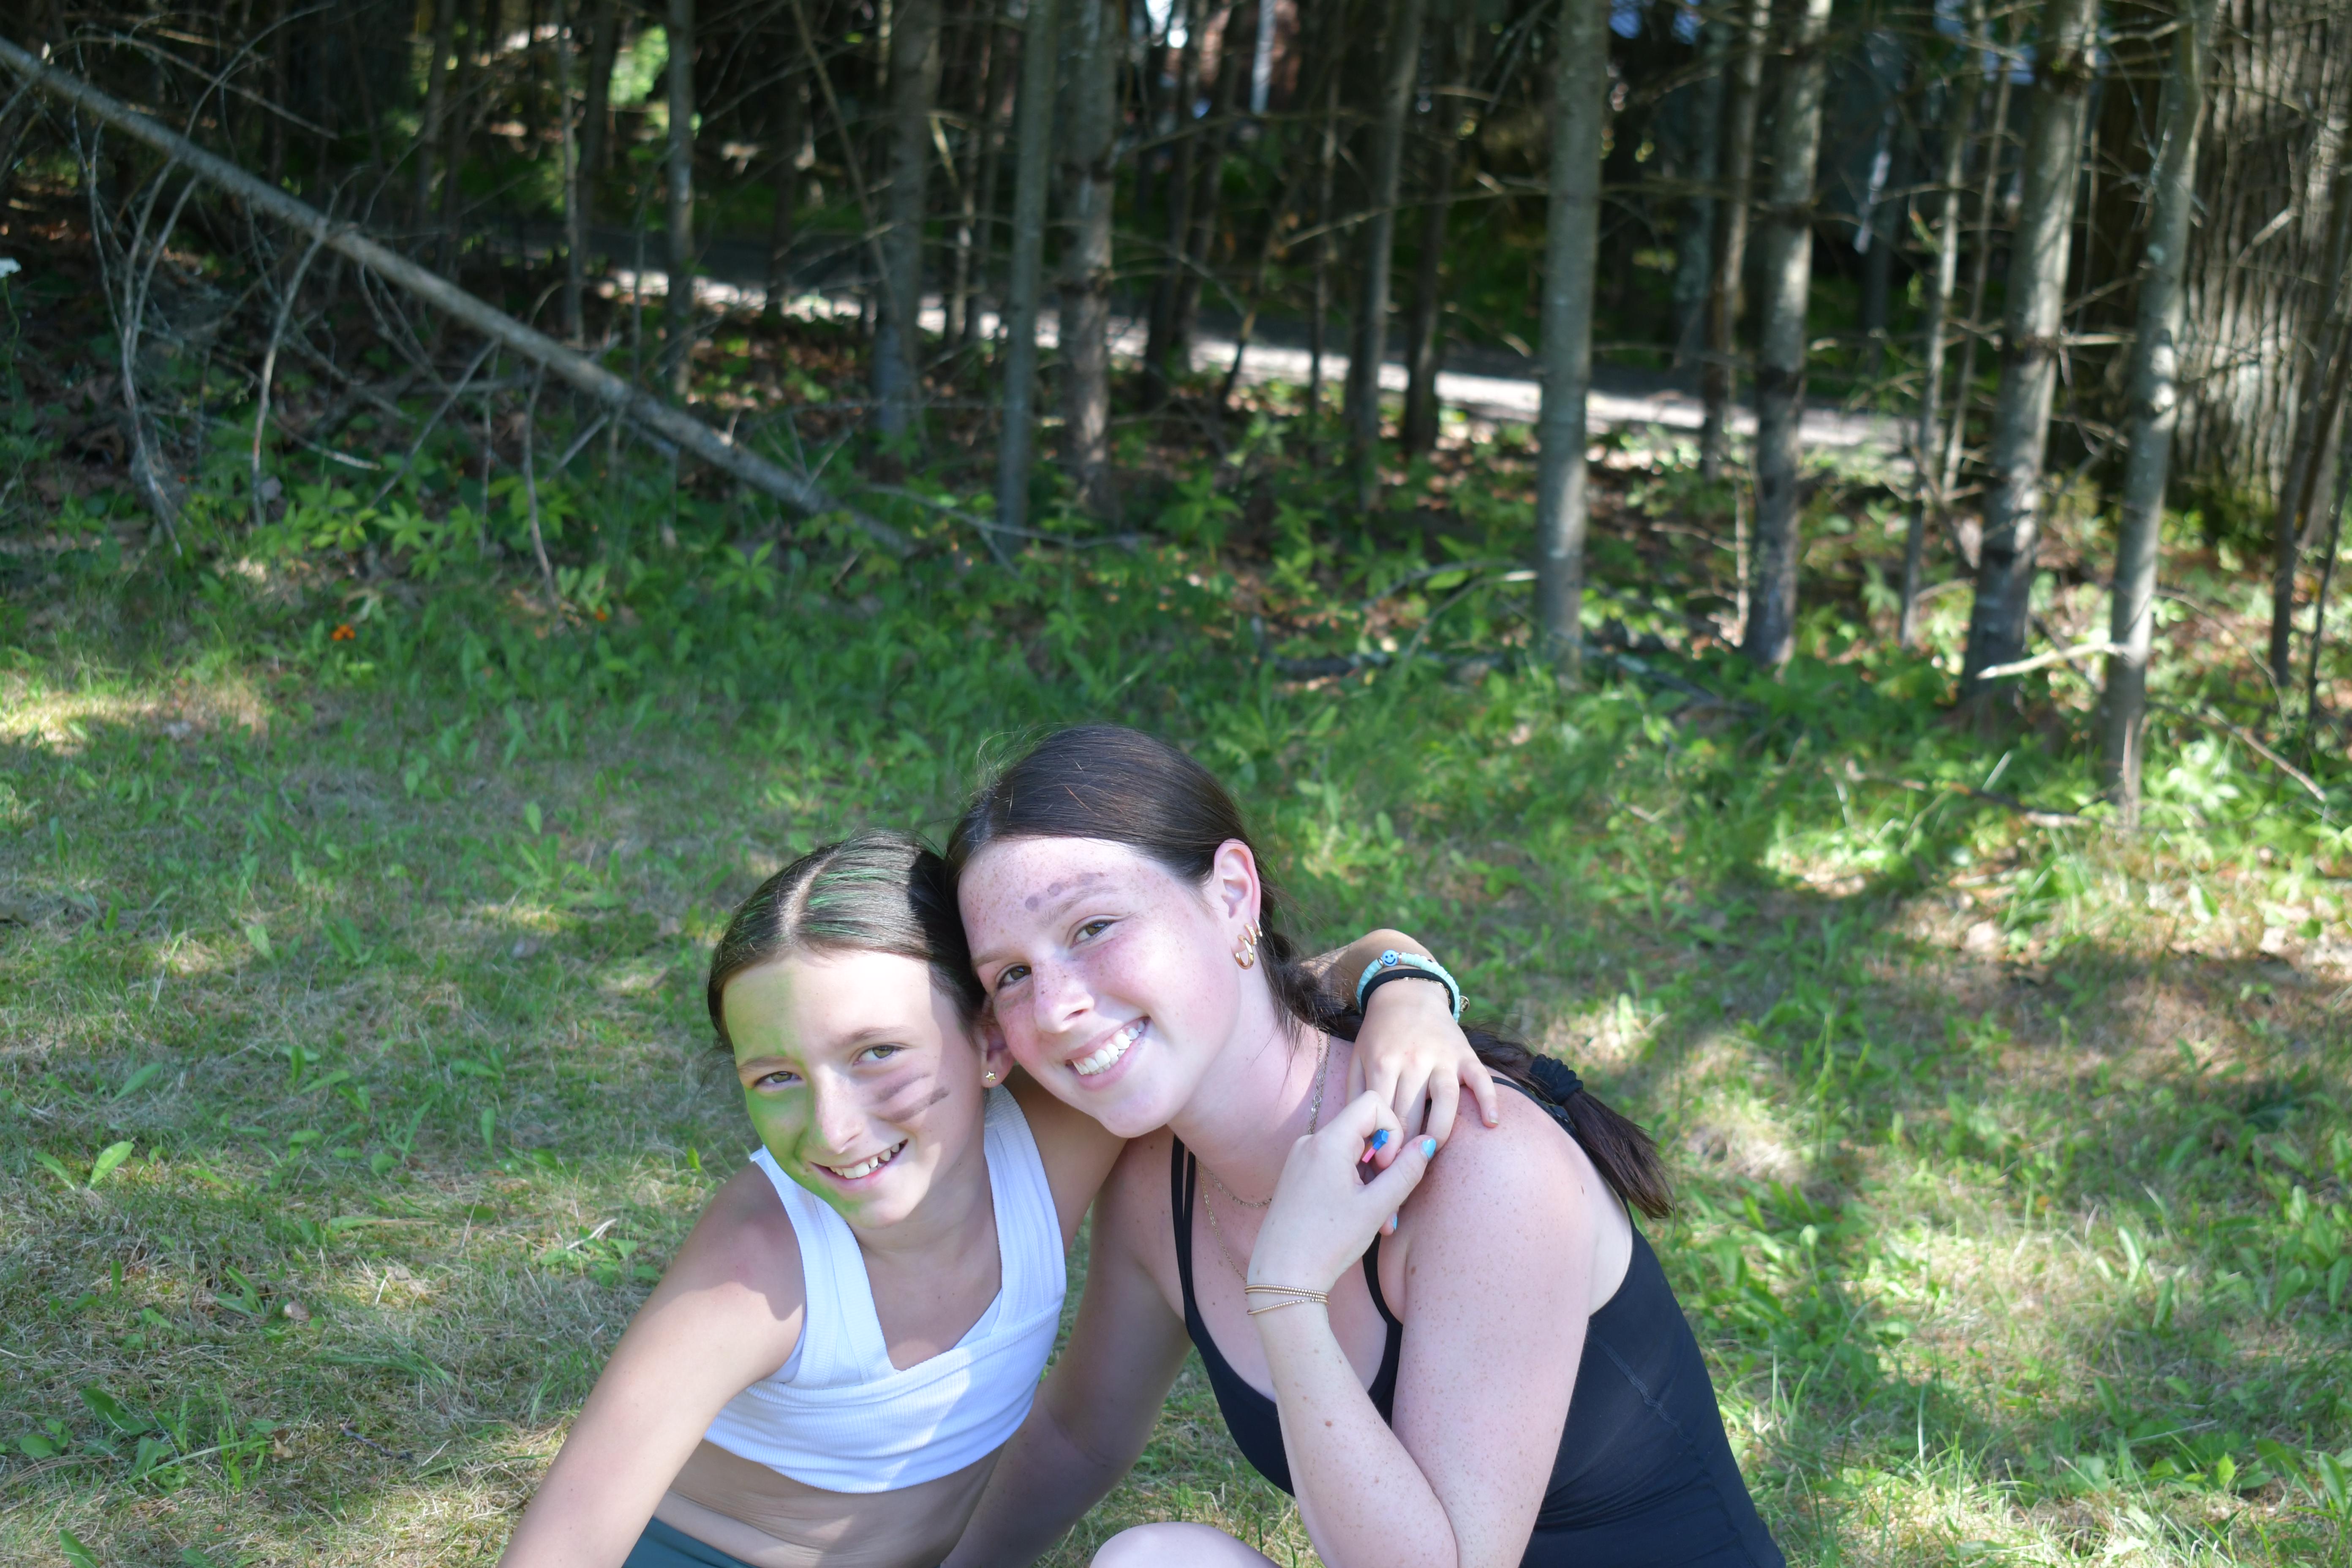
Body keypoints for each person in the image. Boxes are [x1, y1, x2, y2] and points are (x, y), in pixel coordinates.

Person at [496, 829, 1491, 1568]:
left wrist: (1404, 986)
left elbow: (1247, 991)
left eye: (877, 1053)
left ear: (990, 1040)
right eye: (777, 1076)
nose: (835, 1126)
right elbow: (564, 1541)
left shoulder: (1063, 1133)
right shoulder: (756, 1268)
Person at [941, 726, 1787, 1568]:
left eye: (1093, 926)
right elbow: (1080, 1435)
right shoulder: (1156, 1178)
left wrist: (1288, 1291)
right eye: (1011, 974)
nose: (1055, 1009)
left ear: (1232, 895)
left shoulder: (1481, 1162)